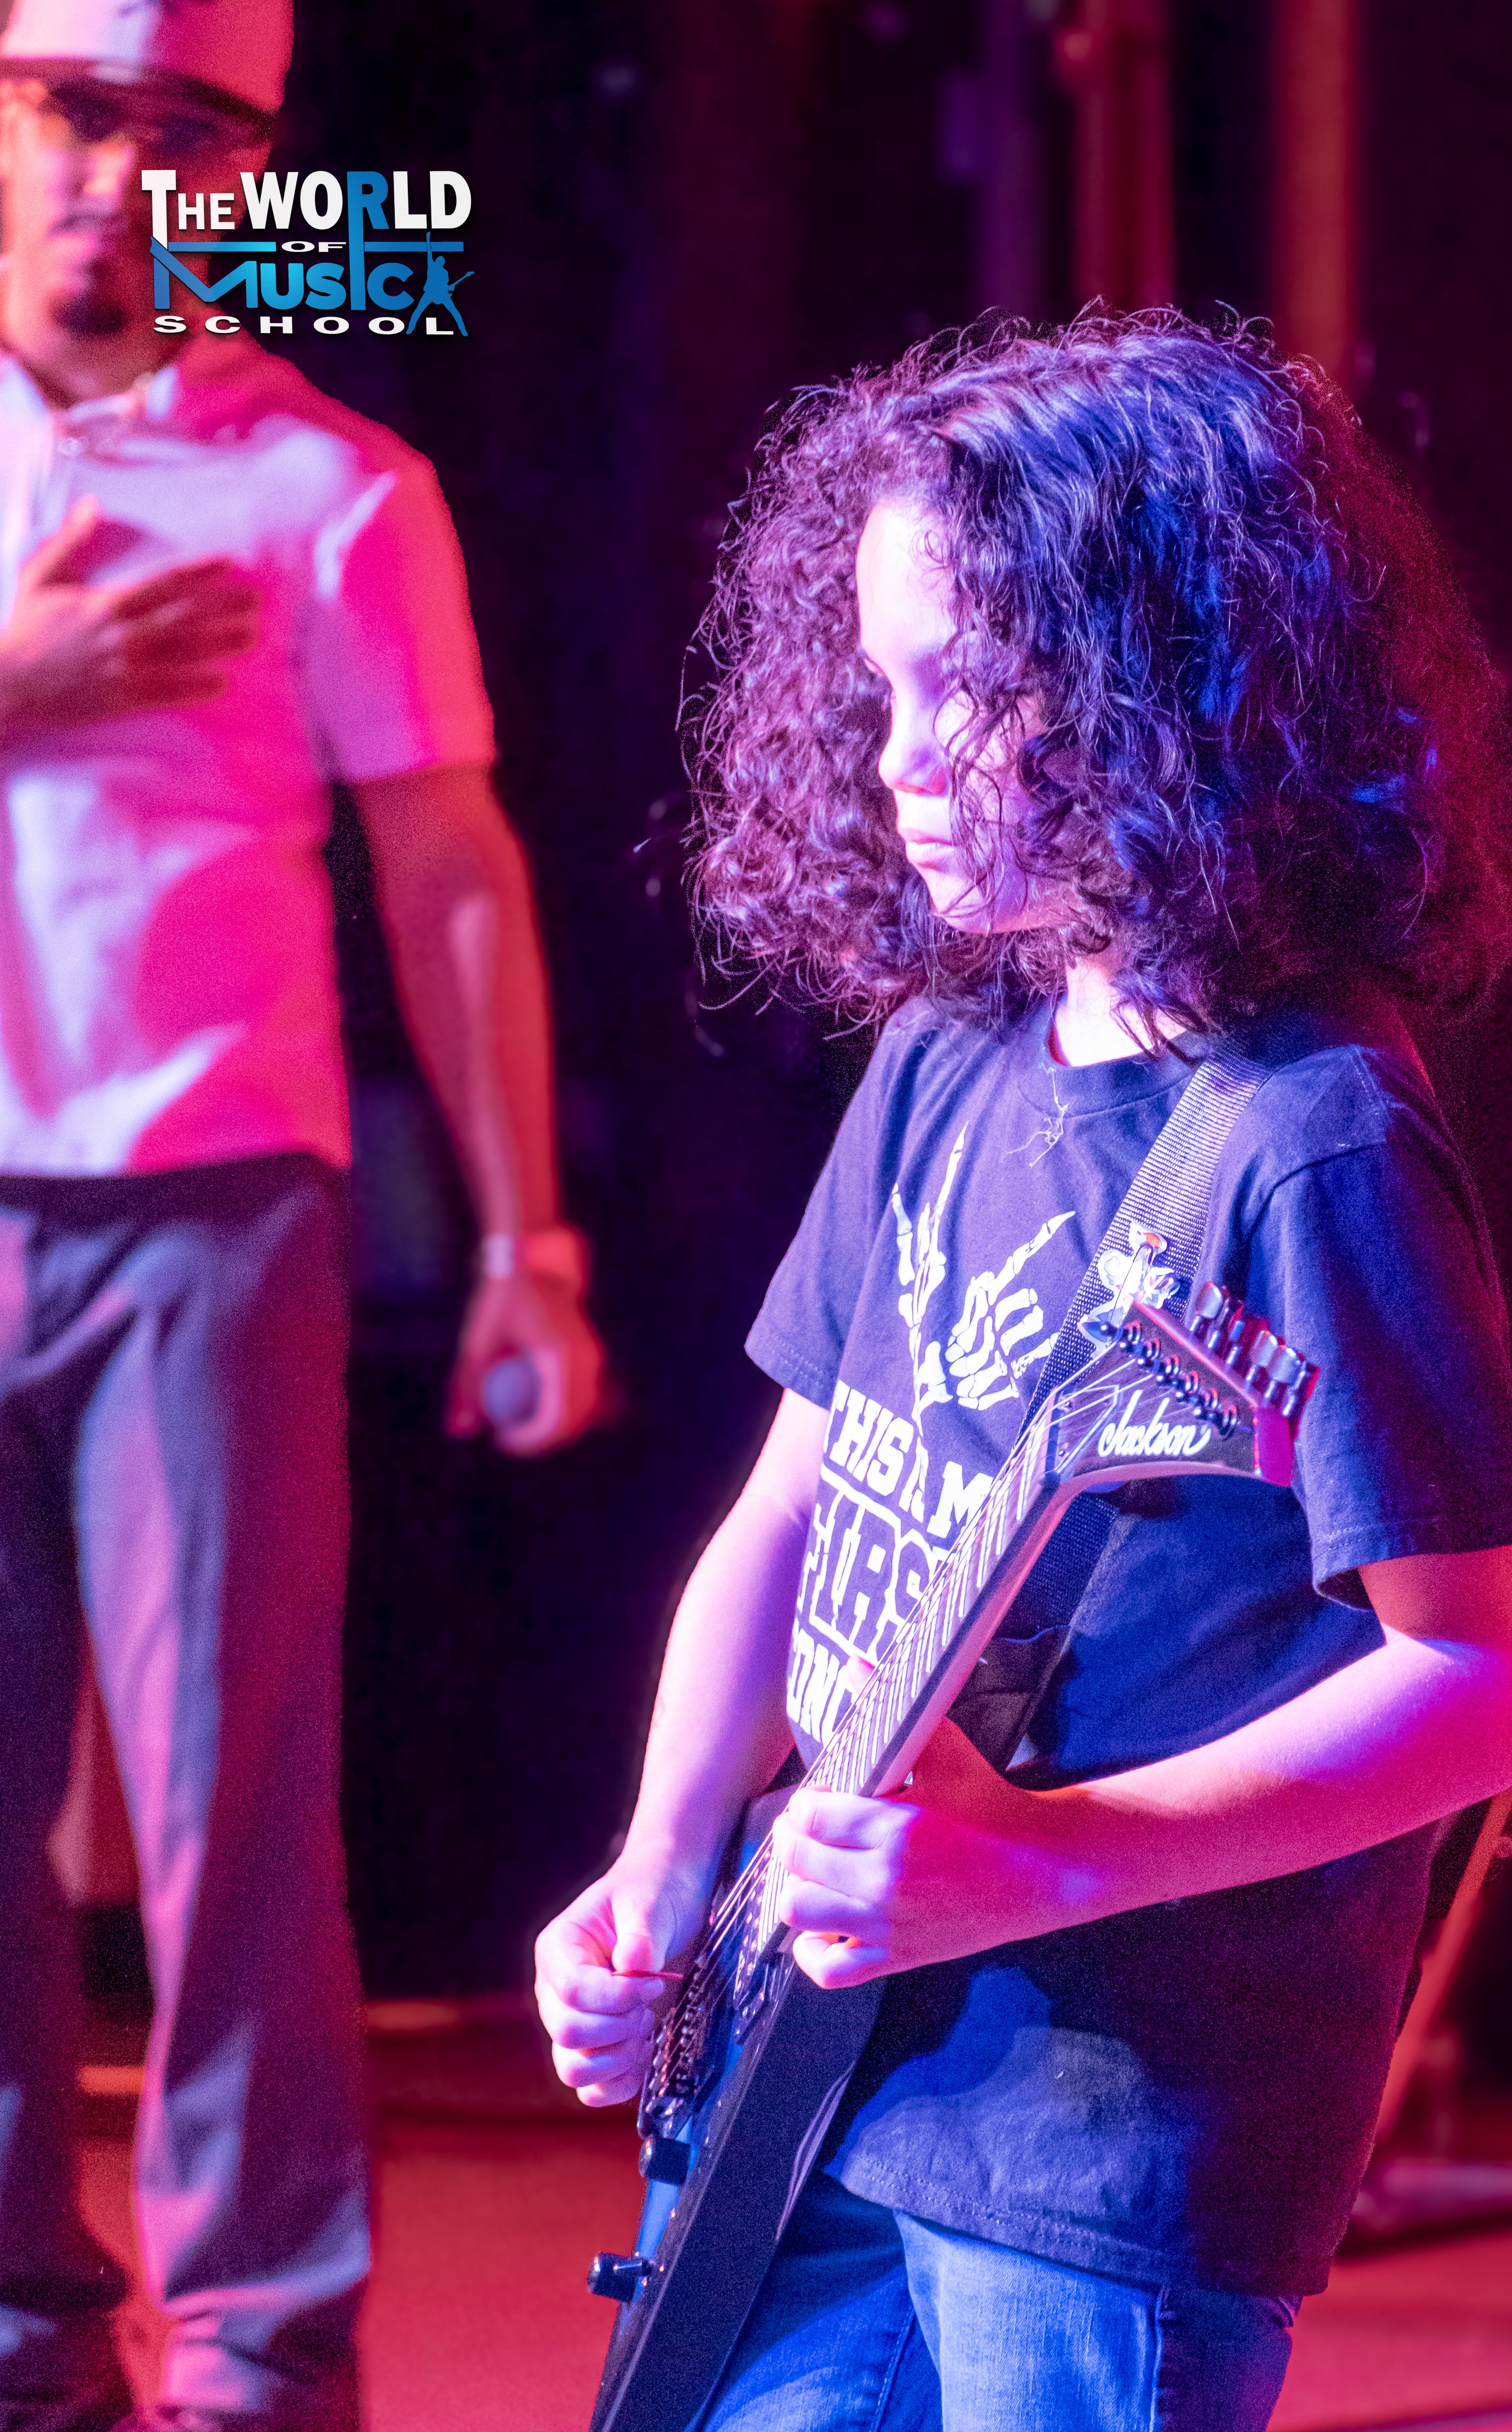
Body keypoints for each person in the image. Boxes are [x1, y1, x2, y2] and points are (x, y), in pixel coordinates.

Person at [534, 315, 1512, 2431]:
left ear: (1162, 685)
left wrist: (1046, 1859)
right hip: (817, 2063)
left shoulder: (1310, 1144)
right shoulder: (946, 1057)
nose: (896, 755)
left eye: (965, 691)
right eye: (880, 685)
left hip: (1103, 2144)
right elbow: (787, 1509)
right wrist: (657, 1870)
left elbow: (1489, 1678)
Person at [0, 5, 606, 2430]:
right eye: (69, 109)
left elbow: (450, 865)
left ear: (255, 170)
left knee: (240, 1812)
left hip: (215, 1206)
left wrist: (524, 1239)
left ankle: (263, 2351)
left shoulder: (330, 483)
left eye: (188, 137)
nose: (117, 179)